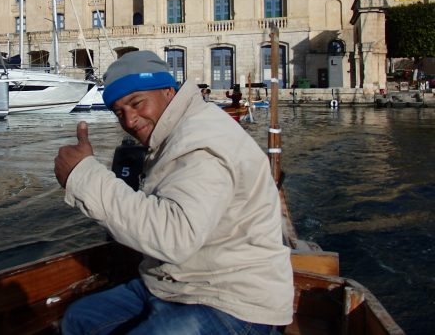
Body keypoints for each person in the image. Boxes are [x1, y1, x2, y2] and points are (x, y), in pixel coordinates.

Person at [54, 50, 293, 334]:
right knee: (79, 320)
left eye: (136, 103)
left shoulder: (202, 143)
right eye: (119, 112)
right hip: (175, 284)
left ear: (168, 91)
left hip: (233, 298)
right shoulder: (174, 133)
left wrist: (83, 176)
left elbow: (176, 237)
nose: (129, 121)